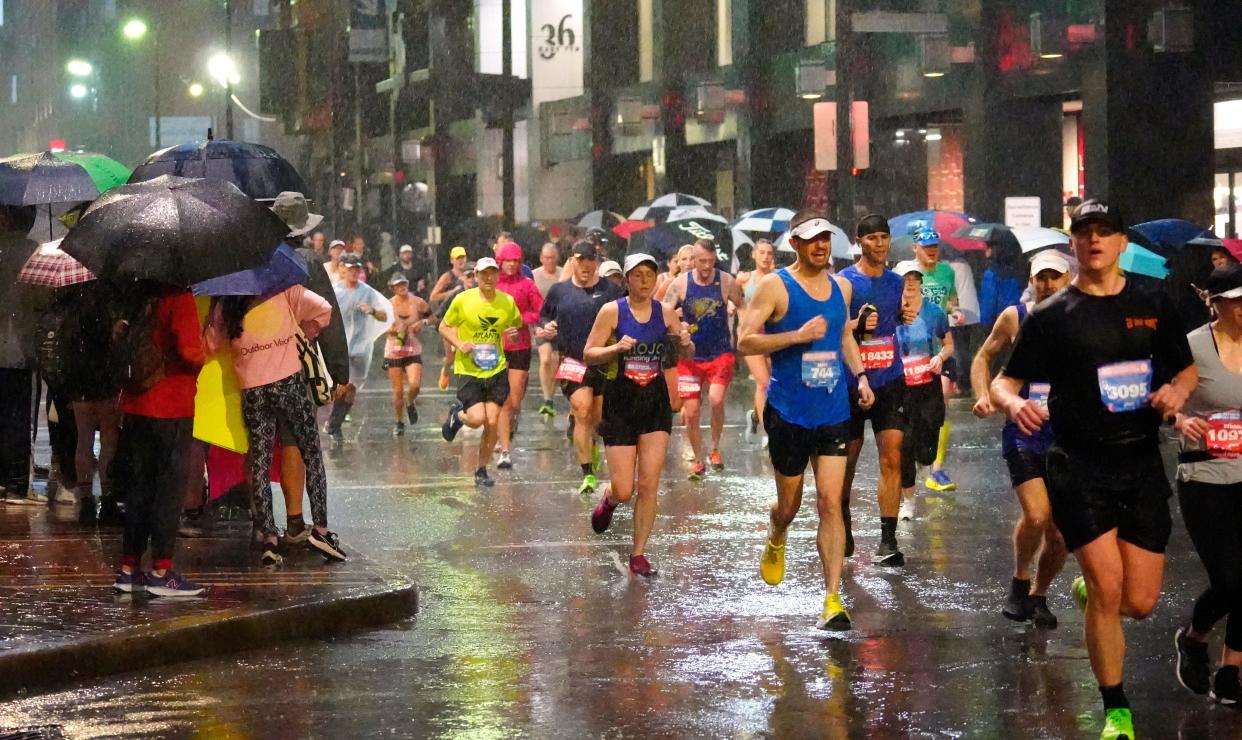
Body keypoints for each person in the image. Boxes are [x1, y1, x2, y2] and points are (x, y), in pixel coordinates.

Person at [991, 199, 1197, 740]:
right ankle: (1116, 710)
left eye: (1105, 231)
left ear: (1122, 241)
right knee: (1108, 592)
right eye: (1084, 232)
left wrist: (1177, 391)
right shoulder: (1052, 315)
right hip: (1078, 467)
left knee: (1140, 602)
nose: (1094, 241)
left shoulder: (1154, 301)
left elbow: (1185, 368)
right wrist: (1014, 406)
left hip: (1140, 465)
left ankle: (1092, 595)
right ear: (1074, 242)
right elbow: (1003, 383)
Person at [738, 212, 873, 631]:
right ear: (794, 243)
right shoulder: (775, 286)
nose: (820, 246)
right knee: (791, 506)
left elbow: (844, 336)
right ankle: (776, 532)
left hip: (832, 409)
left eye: (825, 239)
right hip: (789, 412)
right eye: (811, 239)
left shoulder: (841, 286)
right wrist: (795, 336)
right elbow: (744, 341)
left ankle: (832, 599)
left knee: (831, 502)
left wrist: (862, 375)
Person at [205, 285, 347, 565]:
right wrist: (305, 330)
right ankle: (320, 529)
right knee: (311, 452)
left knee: (260, 458)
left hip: (253, 390)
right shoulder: (283, 289)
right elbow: (324, 310)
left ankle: (268, 536)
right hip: (289, 384)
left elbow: (210, 346)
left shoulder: (227, 302)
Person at [972, 250, 1072, 629]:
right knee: (1037, 514)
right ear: (1031, 281)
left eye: (1054, 277)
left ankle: (1038, 595)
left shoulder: (1081, 317)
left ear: (1067, 279)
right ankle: (1019, 578)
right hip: (1025, 427)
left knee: (1060, 535)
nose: (1047, 284)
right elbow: (983, 356)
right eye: (1040, 278)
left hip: (1067, 435)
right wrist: (984, 394)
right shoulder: (1015, 316)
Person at [584, 253, 693, 577]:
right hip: (620, 402)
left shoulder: (665, 313)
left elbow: (685, 352)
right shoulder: (612, 311)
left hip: (654, 404)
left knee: (648, 484)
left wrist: (686, 342)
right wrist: (615, 349)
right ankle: (609, 500)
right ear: (627, 279)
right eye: (638, 275)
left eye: (650, 275)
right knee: (624, 488)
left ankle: (639, 554)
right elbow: (589, 354)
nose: (644, 281)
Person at [1169, 262, 1242, 705]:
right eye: (1236, 302)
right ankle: (1194, 637)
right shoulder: (1192, 347)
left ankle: (1232, 667)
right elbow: (1163, 397)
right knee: (1232, 579)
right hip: (1205, 473)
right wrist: (1179, 418)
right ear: (1215, 304)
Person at [111, 283, 207, 596]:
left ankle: (129, 568)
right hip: (171, 405)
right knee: (168, 489)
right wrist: (206, 352)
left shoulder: (137, 294)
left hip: (137, 403)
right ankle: (162, 571)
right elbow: (191, 352)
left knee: (139, 486)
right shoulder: (178, 296)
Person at [840, 214, 909, 566]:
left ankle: (888, 539)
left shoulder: (897, 282)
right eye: (873, 238)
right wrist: (855, 325)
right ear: (859, 241)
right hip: (851, 382)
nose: (880, 244)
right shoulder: (844, 282)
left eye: (884, 237)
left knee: (892, 456)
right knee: (846, 463)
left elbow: (899, 318)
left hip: (890, 379)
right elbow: (837, 331)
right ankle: (843, 523)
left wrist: (907, 315)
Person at [539, 240, 624, 494]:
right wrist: (547, 326)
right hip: (573, 360)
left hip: (604, 361)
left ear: (596, 262)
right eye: (581, 260)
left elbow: (627, 314)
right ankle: (587, 474)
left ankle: (592, 445)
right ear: (573, 261)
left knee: (598, 419)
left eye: (590, 261)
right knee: (581, 409)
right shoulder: (559, 291)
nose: (586, 266)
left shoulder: (610, 290)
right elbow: (544, 315)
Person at [662, 238, 746, 479]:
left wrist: (744, 332)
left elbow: (744, 306)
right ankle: (699, 460)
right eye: (701, 261)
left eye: (710, 261)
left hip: (720, 353)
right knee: (691, 411)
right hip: (690, 357)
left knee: (716, 399)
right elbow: (663, 312)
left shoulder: (725, 281)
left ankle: (715, 448)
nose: (706, 266)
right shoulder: (680, 284)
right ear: (693, 260)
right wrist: (677, 325)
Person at [439, 257, 523, 487]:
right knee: (477, 419)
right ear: (475, 276)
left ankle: (481, 470)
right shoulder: (463, 300)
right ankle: (458, 416)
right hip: (469, 369)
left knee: (493, 421)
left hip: (495, 368)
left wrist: (513, 335)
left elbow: (514, 326)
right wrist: (459, 343)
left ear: (498, 276)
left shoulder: (507, 302)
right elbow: (443, 327)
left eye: (492, 273)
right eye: (483, 273)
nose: (488, 278)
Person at [892, 261, 953, 522]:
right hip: (901, 386)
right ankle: (908, 501)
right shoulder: (890, 313)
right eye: (906, 278)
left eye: (915, 277)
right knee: (904, 445)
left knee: (925, 452)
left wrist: (940, 357)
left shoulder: (935, 313)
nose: (911, 282)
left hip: (928, 385)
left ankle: (922, 459)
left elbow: (948, 344)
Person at [910, 229, 961, 493]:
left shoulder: (947, 272)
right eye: (926, 246)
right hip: (914, 349)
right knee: (917, 408)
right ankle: (921, 452)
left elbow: (951, 300)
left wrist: (955, 310)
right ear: (914, 248)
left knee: (942, 400)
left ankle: (937, 469)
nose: (932, 250)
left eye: (935, 246)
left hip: (942, 344)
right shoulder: (906, 273)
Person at [0, 205, 42, 505]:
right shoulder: (33, 252)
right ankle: (15, 484)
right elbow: (43, 299)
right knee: (17, 417)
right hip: (20, 347)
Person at [326, 254, 391, 437]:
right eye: (351, 268)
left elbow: (384, 316)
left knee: (352, 388)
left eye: (357, 269)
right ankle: (334, 425)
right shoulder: (334, 291)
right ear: (343, 269)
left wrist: (371, 311)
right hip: (341, 346)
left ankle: (335, 421)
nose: (354, 272)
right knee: (342, 385)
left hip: (362, 347)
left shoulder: (368, 292)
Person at [495, 242, 543, 468]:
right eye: (508, 261)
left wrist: (520, 320)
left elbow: (540, 311)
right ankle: (505, 450)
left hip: (520, 348)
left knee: (514, 400)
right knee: (502, 401)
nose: (512, 265)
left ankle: (508, 427)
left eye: (516, 260)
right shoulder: (492, 285)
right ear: (500, 262)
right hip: (494, 347)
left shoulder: (527, 284)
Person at [737, 238, 776, 448]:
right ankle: (767, 432)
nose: (765, 257)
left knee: (770, 384)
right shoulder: (744, 279)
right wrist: (736, 310)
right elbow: (731, 298)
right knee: (763, 383)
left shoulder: (778, 278)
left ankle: (753, 417)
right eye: (761, 252)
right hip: (751, 335)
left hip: (772, 334)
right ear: (753, 255)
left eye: (769, 253)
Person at [383, 274, 431, 436]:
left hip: (412, 349)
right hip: (394, 350)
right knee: (397, 391)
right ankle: (399, 421)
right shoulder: (388, 305)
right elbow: (381, 326)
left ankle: (410, 401)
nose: (402, 287)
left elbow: (432, 317)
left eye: (404, 284)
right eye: (398, 285)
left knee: (415, 385)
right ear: (393, 288)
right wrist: (393, 330)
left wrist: (422, 322)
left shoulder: (418, 302)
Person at [431, 245, 474, 391]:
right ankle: (446, 370)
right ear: (452, 260)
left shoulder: (474, 274)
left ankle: (468, 381)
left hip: (468, 320)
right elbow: (433, 296)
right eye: (458, 258)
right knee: (451, 357)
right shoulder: (448, 277)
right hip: (451, 320)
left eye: (463, 257)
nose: (461, 261)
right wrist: (451, 292)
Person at [533, 243, 562, 418]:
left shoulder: (563, 274)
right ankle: (547, 399)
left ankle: (551, 396)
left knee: (556, 361)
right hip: (541, 322)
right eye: (547, 258)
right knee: (545, 359)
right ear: (541, 258)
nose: (550, 261)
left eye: (553, 258)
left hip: (560, 323)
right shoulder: (535, 276)